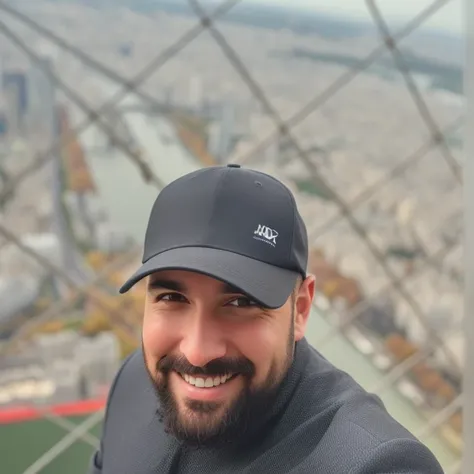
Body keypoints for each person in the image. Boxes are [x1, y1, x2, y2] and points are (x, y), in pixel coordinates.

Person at [89, 164, 444, 473]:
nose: (197, 352)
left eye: (240, 302)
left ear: (301, 309)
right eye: (171, 297)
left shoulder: (378, 464)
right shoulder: (133, 381)